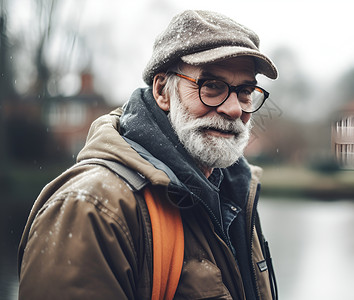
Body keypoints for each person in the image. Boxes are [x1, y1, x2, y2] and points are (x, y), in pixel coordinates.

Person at [18, 9, 278, 300]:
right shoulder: (93, 209)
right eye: (212, 86)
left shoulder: (236, 194)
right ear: (162, 92)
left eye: (244, 91)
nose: (234, 109)